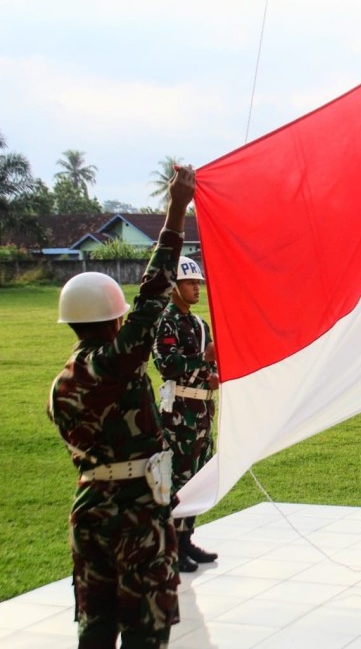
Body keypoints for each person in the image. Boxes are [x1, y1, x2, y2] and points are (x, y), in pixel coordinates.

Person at [47, 165, 194, 649]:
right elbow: (153, 294)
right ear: (114, 320)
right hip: (133, 513)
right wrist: (176, 209)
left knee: (96, 624)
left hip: (89, 511)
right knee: (143, 630)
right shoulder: (114, 362)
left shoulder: (60, 385)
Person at [154, 256, 220, 573]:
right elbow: (167, 364)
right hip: (180, 414)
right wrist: (200, 359)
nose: (197, 288)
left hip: (203, 411)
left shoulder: (198, 324)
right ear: (174, 287)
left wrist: (214, 373)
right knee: (178, 479)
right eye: (190, 283)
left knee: (198, 476)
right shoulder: (165, 322)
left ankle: (187, 538)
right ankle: (172, 547)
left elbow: (212, 364)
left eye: (198, 283)